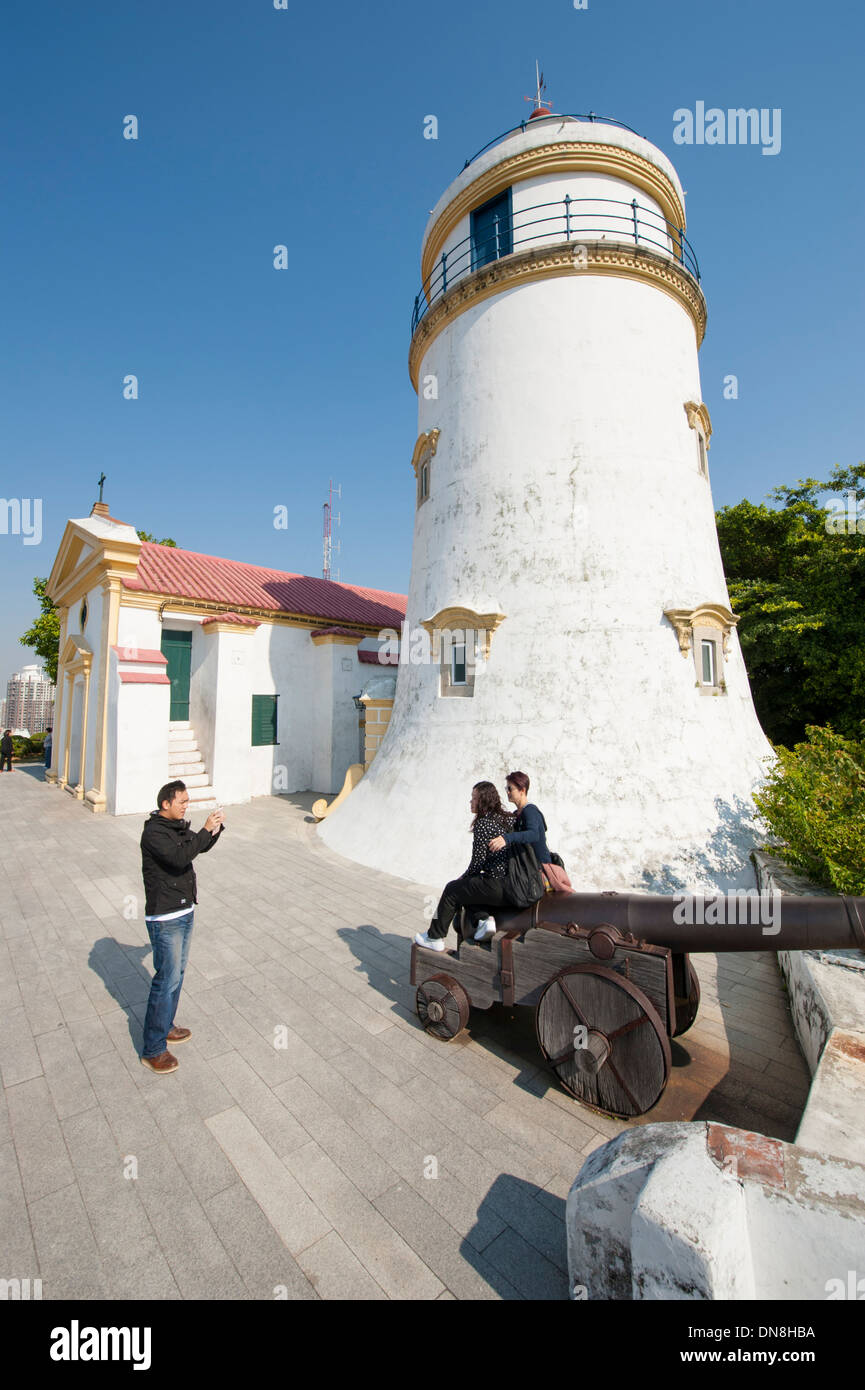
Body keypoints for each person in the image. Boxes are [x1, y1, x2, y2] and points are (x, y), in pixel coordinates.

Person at [139, 781, 224, 1074]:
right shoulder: (154, 833)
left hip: (185, 909)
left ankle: (166, 1026)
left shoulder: (177, 828)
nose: (186, 806)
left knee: (177, 976)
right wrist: (201, 833)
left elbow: (196, 847)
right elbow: (179, 857)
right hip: (165, 916)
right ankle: (153, 1049)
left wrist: (213, 829)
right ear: (166, 804)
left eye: (187, 801)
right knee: (166, 980)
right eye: (182, 802)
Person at [414, 781, 514, 951]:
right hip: (510, 881)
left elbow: (477, 862)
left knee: (453, 888)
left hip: (495, 885)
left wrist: (463, 877)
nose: (471, 802)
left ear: (482, 800)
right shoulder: (508, 818)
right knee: (469, 885)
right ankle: (483, 920)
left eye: (474, 798)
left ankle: (434, 936)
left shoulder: (483, 824)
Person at [488, 771, 573, 892]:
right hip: (529, 869)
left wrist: (506, 838)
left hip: (539, 871)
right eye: (506, 788)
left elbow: (533, 834)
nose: (507, 792)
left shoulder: (530, 811)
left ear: (522, 790)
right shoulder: (517, 814)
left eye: (510, 788)